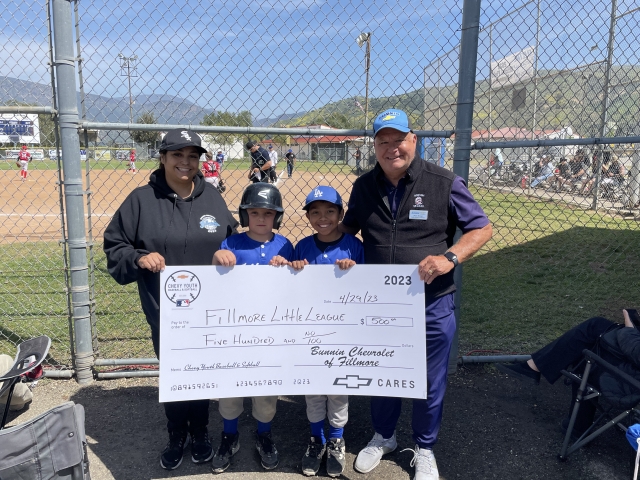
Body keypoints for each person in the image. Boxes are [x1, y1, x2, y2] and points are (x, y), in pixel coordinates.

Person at [340, 109, 492, 480]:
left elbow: (482, 228)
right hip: (380, 304)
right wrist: (338, 257)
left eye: (398, 140)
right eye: (383, 142)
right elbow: (346, 232)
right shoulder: (363, 187)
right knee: (383, 371)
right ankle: (384, 436)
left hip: (432, 302)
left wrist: (449, 258)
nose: (392, 148)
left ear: (414, 140)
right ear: (375, 146)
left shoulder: (444, 182)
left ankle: (424, 447)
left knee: (429, 378)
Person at [103, 129, 239, 471]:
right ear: (162, 158)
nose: (185, 162)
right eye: (177, 155)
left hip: (210, 312)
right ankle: (177, 432)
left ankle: (201, 432)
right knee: (177, 374)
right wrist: (138, 258)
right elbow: (115, 246)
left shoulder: (213, 199)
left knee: (203, 373)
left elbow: (234, 240)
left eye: (193, 156)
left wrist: (228, 253)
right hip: (168, 313)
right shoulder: (140, 200)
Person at [210, 183, 294, 474]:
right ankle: (229, 435)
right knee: (231, 389)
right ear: (245, 215)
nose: (261, 218)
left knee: (266, 392)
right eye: (254, 212)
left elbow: (294, 284)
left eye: (268, 213)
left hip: (268, 334)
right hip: (236, 332)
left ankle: (264, 434)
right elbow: (217, 276)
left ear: (277, 217)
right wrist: (217, 259)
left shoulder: (284, 245)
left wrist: (287, 265)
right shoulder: (232, 243)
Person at [284, 186, 364, 477]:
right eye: (315, 212)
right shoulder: (303, 246)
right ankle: (316, 439)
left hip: (342, 333)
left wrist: (353, 269)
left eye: (330, 211)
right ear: (307, 216)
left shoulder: (354, 246)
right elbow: (291, 287)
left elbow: (367, 287)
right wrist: (295, 267)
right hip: (310, 332)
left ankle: (336, 438)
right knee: (314, 389)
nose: (323, 217)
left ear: (341, 214)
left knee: (338, 389)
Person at [496, 310, 640, 437]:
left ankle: (578, 426)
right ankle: (533, 368)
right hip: (632, 371)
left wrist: (629, 326)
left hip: (628, 382)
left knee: (585, 356)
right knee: (596, 327)